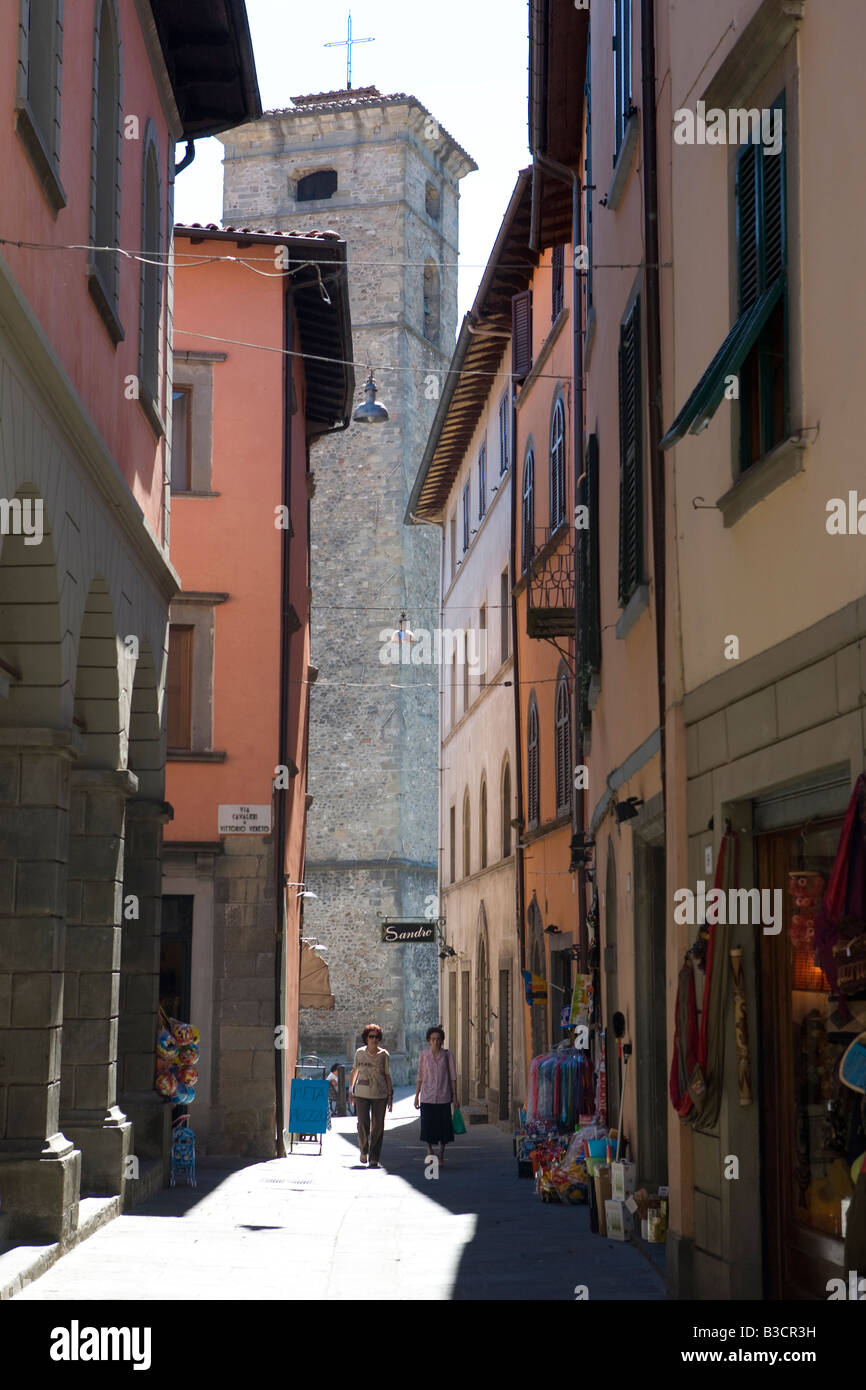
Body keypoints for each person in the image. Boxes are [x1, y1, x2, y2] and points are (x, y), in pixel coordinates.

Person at [414, 1024, 458, 1168]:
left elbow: (453, 1077)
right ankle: (429, 1149)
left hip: (444, 1096)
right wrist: (416, 1096)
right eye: (433, 1039)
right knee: (427, 1125)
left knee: (444, 1127)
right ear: (429, 1040)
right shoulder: (424, 1055)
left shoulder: (447, 1055)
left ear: (442, 1040)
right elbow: (420, 1076)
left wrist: (455, 1096)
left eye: (438, 1039)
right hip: (427, 1096)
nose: (436, 1042)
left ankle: (442, 1153)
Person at [349, 1024, 393, 1168]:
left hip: (380, 1094)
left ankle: (374, 1157)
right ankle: (363, 1149)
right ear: (366, 1038)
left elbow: (387, 1075)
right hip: (361, 1093)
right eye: (371, 1036)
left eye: (376, 1037)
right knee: (363, 1123)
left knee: (378, 1126)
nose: (374, 1039)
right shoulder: (359, 1053)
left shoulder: (384, 1055)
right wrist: (351, 1090)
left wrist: (390, 1095)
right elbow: (354, 1071)